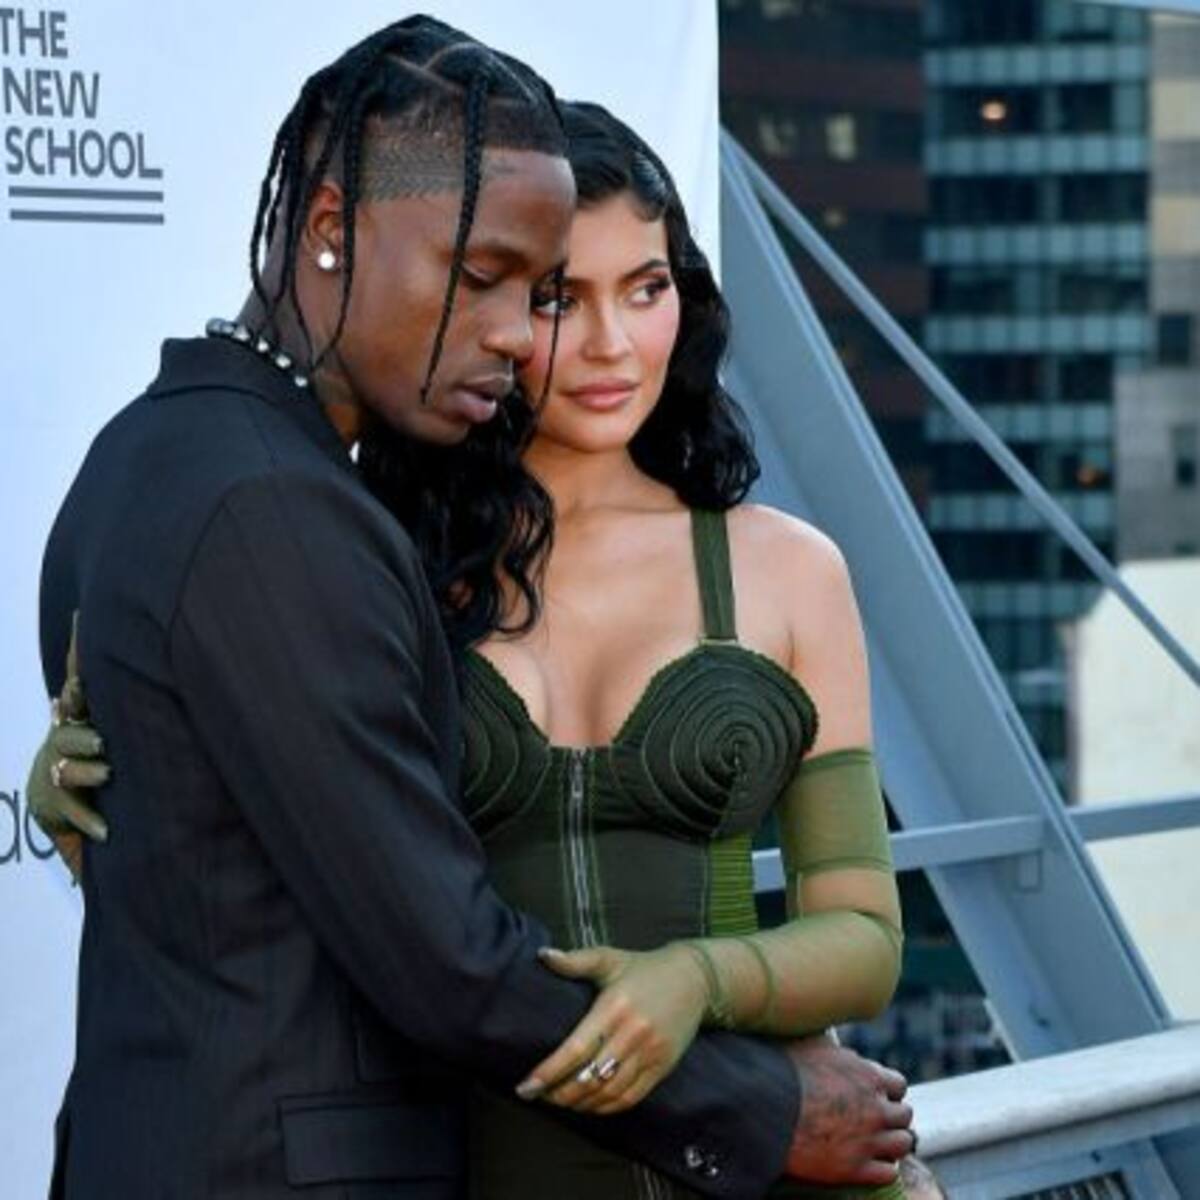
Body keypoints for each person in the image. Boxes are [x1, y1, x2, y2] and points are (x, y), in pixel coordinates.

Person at [28, 14, 912, 1200]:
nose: (526, 332)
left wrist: (708, 984)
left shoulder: (155, 459)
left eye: (634, 288)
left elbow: (248, 838)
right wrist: (764, 1117)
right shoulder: (302, 519)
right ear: (331, 229)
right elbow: (441, 958)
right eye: (503, 284)